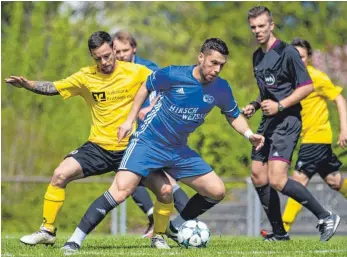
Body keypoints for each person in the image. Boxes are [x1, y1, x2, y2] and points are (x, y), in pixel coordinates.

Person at [61, 38, 265, 252]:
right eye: (213, 63)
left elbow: (233, 115)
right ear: (201, 57)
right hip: (148, 142)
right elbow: (145, 87)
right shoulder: (173, 74)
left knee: (216, 190)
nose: (217, 69)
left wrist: (249, 134)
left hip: (178, 150)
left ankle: (172, 228)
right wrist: (129, 120)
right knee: (121, 190)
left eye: (222, 65)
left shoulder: (221, 88)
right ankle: (75, 239)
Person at [5, 31, 171, 247]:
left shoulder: (136, 71)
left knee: (165, 189)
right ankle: (47, 230)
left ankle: (159, 236)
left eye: (106, 56)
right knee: (59, 174)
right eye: (97, 58)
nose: (103, 62)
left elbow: (166, 84)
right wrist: (28, 85)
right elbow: (54, 87)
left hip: (132, 149)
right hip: (98, 147)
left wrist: (153, 107)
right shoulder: (86, 77)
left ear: (113, 49)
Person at [242, 6, 340, 242]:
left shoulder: (288, 53)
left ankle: (325, 216)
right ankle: (280, 233)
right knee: (257, 174)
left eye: (262, 26)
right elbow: (266, 90)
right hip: (268, 122)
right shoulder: (258, 56)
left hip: (287, 121)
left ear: (271, 25)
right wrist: (255, 105)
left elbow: (306, 86)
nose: (257, 31)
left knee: (276, 179)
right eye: (253, 27)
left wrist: (281, 105)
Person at [262, 38, 347, 234]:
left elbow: (339, 99)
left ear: (309, 57)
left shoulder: (316, 77)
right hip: (308, 138)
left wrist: (344, 129)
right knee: (334, 181)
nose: (297, 60)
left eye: (301, 56)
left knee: (297, 181)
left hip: (316, 138)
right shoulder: (290, 77)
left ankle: (282, 229)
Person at [112, 30, 190, 238]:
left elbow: (167, 87)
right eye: (116, 51)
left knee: (163, 180)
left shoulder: (148, 68)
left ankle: (189, 220)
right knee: (130, 174)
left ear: (134, 48)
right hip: (131, 131)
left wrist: (150, 107)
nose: (120, 55)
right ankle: (161, 219)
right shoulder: (115, 70)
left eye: (125, 50)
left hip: (154, 130)